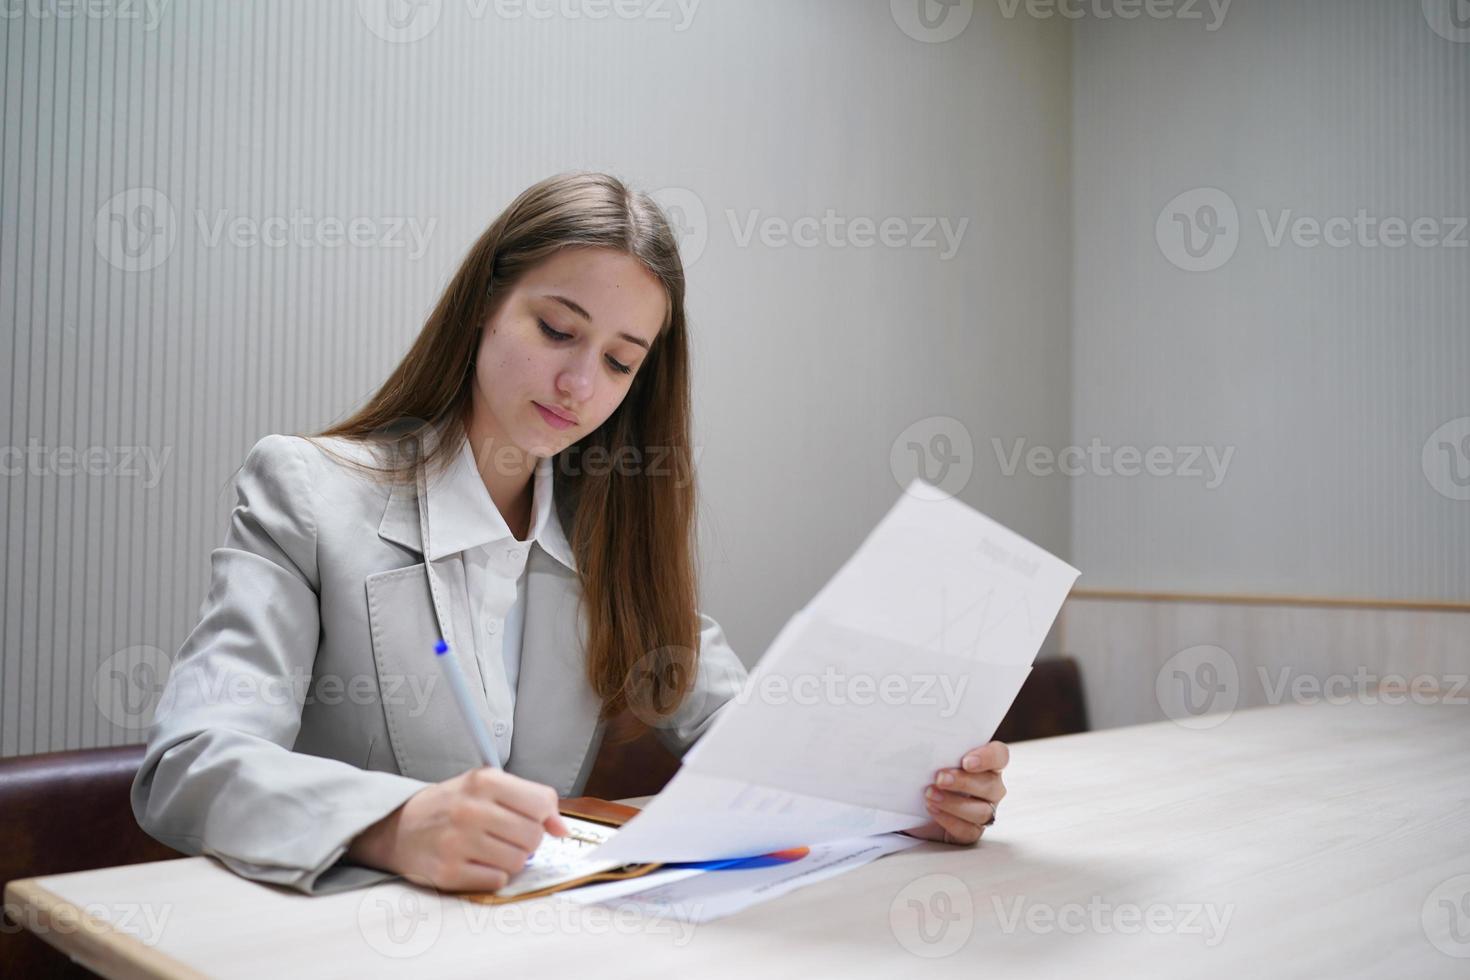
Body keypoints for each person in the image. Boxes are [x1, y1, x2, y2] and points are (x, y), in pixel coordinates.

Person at [131, 171, 1007, 897]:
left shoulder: (611, 530)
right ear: (484, 305)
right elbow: (191, 763)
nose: (581, 384)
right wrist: (394, 824)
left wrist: (901, 796)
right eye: (557, 330)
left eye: (622, 360)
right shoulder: (310, 491)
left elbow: (750, 739)